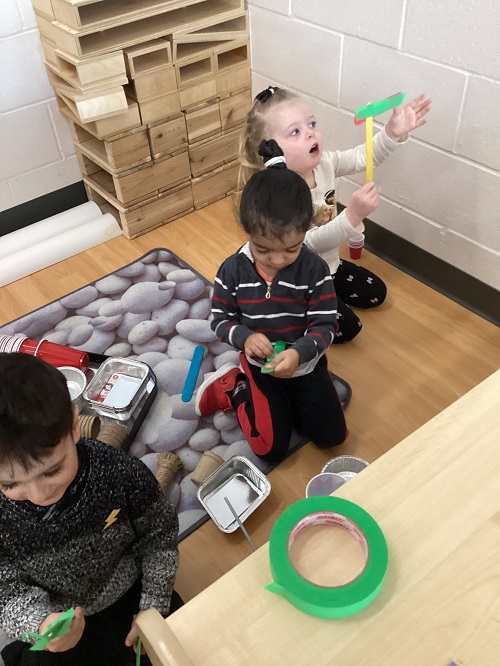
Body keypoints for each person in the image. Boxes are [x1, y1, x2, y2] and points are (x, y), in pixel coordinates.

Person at [0, 353, 181, 666]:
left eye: (51, 471)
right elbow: (5, 590)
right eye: (10, 485)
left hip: (131, 592)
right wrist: (41, 624)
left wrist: (153, 603)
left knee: (183, 641)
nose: (39, 495)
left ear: (74, 425)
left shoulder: (120, 473)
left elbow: (160, 538)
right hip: (58, 615)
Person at [240, 86, 432, 343]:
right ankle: (291, 306)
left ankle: (328, 284)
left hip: (328, 266)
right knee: (349, 329)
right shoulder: (280, 196)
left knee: (376, 293)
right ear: (270, 150)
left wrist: (390, 134)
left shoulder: (324, 163)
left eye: (311, 124)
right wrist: (352, 217)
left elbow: (361, 157)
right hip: (301, 279)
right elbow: (307, 244)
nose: (310, 133)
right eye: (295, 132)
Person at [195, 139, 347, 463]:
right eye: (262, 249)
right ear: (247, 232)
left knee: (333, 437)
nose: (277, 260)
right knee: (270, 449)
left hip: (304, 364)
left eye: (291, 249)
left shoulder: (315, 269)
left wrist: (299, 353)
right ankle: (234, 387)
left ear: (305, 231)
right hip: (260, 367)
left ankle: (290, 396)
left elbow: (326, 324)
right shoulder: (232, 270)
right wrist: (246, 338)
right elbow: (219, 319)